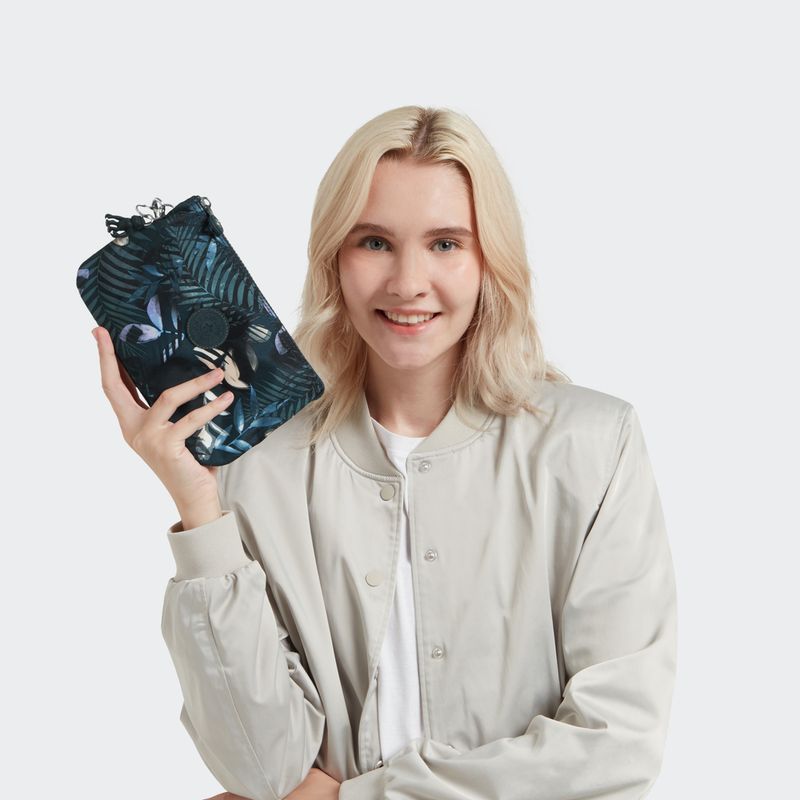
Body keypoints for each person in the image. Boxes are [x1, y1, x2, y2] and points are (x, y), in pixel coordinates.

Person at [92, 105, 677, 800]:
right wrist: (198, 508)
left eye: (446, 243)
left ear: (490, 259)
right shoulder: (260, 462)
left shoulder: (593, 445)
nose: (407, 282)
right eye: (374, 242)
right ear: (334, 258)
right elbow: (261, 771)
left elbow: (616, 745)